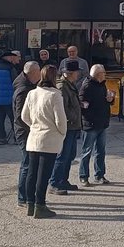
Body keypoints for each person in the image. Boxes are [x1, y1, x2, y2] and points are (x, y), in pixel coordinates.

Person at [20, 65, 66, 217]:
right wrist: (61, 133)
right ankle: (40, 205)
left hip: (34, 137)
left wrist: (34, 126)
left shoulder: (32, 93)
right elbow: (60, 120)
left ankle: (30, 204)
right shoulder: (55, 95)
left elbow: (24, 116)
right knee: (43, 174)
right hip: (49, 137)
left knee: (32, 172)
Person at [50, 60, 83, 195]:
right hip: (68, 125)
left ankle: (63, 180)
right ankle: (54, 182)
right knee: (63, 155)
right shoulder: (63, 86)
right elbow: (62, 107)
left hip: (73, 125)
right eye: (76, 72)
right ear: (71, 73)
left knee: (70, 155)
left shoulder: (70, 85)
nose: (78, 74)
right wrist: (74, 116)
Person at [78, 64, 113, 186]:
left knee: (101, 151)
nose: (105, 74)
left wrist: (110, 99)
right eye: (103, 72)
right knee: (87, 151)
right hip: (91, 124)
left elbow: (105, 100)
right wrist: (89, 116)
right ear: (98, 74)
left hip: (102, 123)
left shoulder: (102, 84)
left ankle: (99, 175)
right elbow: (82, 105)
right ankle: (83, 176)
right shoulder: (87, 86)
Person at [13, 62, 42, 206]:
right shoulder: (23, 90)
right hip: (25, 132)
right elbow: (20, 116)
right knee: (27, 164)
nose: (40, 75)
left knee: (30, 163)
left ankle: (28, 195)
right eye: (38, 72)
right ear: (33, 73)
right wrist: (33, 128)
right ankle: (22, 197)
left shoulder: (29, 85)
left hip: (28, 131)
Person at [0, 50, 21, 145]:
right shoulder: (10, 68)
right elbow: (16, 82)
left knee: (0, 119)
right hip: (9, 98)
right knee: (14, 119)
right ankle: (17, 138)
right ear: (9, 58)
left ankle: (1, 138)